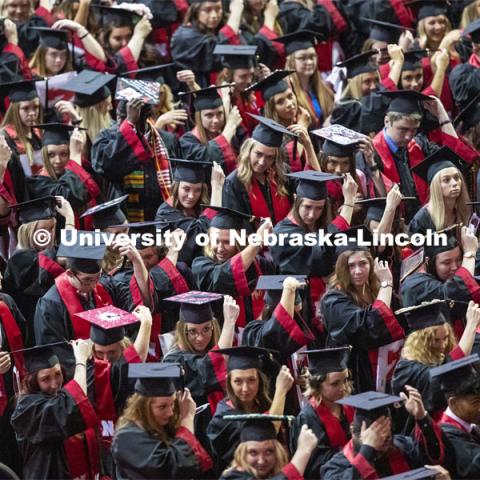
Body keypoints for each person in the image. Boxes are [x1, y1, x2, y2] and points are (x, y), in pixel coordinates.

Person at [33, 231, 151, 373]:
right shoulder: (50, 305)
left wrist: (137, 261)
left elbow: (140, 302)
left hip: (117, 368)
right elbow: (57, 356)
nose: (94, 285)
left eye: (97, 277)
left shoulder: (105, 284)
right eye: (87, 280)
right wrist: (98, 372)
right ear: (70, 273)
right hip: (85, 379)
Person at [270, 171, 358, 341]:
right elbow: (320, 251)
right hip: (297, 310)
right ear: (296, 200)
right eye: (307, 207)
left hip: (322, 306)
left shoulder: (318, 226)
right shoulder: (282, 233)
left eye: (319, 208)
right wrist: (348, 205)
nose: (312, 214)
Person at [321, 230, 405, 393]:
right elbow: (369, 325)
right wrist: (387, 284)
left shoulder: (376, 290)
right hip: (355, 373)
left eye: (363, 264)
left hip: (386, 367)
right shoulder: (333, 300)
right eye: (351, 265)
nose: (358, 271)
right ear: (342, 268)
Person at [11, 340, 101, 480]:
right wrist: (81, 361)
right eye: (46, 379)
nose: (54, 385)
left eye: (58, 374)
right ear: (33, 382)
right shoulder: (26, 409)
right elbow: (71, 408)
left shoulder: (62, 394)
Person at [112, 363, 214, 479]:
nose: (170, 412)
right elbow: (171, 468)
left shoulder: (164, 427)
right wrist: (187, 419)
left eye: (172, 404)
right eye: (162, 407)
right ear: (142, 407)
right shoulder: (127, 437)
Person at [92, 96, 181, 222]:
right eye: (120, 117)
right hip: (123, 219)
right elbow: (105, 168)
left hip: (159, 218)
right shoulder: (107, 137)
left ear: (145, 119)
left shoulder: (167, 140)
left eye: (128, 118)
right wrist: (129, 124)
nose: (121, 124)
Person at [207, 346, 294, 473]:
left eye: (251, 380)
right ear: (229, 382)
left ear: (260, 380)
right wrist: (281, 390)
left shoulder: (263, 404)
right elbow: (267, 431)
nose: (245, 388)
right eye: (238, 381)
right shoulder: (222, 420)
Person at [320, 389, 444, 478]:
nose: (383, 445)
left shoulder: (401, 446)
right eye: (376, 438)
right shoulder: (335, 468)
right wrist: (368, 450)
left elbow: (435, 458)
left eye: (387, 438)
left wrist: (422, 419)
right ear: (353, 431)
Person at [392, 300, 480, 423]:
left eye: (445, 338)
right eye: (436, 340)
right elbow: (445, 374)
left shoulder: (440, 356)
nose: (443, 345)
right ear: (420, 341)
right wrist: (470, 326)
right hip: (422, 431)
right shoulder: (406, 370)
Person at [192, 207, 275, 327]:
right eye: (216, 240)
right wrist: (257, 242)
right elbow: (221, 278)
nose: (220, 248)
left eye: (227, 242)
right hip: (221, 338)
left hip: (255, 334)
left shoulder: (259, 264)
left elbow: (279, 283)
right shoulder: (201, 265)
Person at [400, 226, 480, 341]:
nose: (455, 267)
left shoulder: (445, 275)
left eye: (458, 259)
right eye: (446, 262)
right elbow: (453, 292)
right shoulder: (414, 285)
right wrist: (470, 254)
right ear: (429, 262)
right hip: (430, 350)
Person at [4, 196, 72, 329]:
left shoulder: (50, 252)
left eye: (52, 228)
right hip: (36, 329)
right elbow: (70, 254)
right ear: (29, 231)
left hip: (56, 321)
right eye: (44, 230)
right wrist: (69, 218)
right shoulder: (20, 261)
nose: (50, 235)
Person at [163, 292, 239, 410]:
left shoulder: (208, 350)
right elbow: (209, 368)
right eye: (193, 331)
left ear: (213, 327)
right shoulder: (172, 361)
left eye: (206, 329)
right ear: (183, 330)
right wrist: (229, 322)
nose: (200, 338)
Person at [290, 347, 353, 478]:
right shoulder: (307, 418)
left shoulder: (350, 407)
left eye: (345, 380)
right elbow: (313, 465)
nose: (343, 388)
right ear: (317, 384)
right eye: (335, 383)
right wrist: (355, 449)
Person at [25, 122, 102, 225]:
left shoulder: (86, 174)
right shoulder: (37, 184)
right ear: (44, 156)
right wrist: (74, 158)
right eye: (51, 154)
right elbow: (68, 197)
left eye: (64, 154)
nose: (58, 160)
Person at [222, 115, 293, 225]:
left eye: (269, 157)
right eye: (258, 154)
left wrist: (308, 146)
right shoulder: (234, 182)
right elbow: (234, 224)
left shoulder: (282, 174)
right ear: (249, 150)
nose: (262, 162)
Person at [155, 159, 224, 264]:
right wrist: (217, 187)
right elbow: (199, 234)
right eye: (186, 189)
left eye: (198, 190)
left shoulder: (200, 205)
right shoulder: (165, 213)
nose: (191, 196)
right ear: (176, 187)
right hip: (182, 271)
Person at [220, 415, 319, 480]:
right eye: (253, 453)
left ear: (277, 453)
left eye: (269, 452)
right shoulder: (232, 477)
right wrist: (303, 453)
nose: (261, 461)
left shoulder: (273, 474)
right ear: (242, 454)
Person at [431, 353, 480, 478]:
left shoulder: (472, 423)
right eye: (476, 402)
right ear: (453, 402)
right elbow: (473, 467)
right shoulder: (446, 435)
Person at [179, 85, 242, 174]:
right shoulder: (188, 141)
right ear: (199, 117)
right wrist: (229, 129)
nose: (215, 120)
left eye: (219, 113)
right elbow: (208, 158)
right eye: (209, 115)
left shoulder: (231, 136)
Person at [278, 30, 334, 128]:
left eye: (312, 57)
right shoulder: (288, 93)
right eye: (302, 58)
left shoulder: (324, 89)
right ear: (291, 61)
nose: (309, 62)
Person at [409, 147, 471, 234]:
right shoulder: (422, 220)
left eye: (457, 178)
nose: (454, 183)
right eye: (446, 180)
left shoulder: (462, 211)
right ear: (436, 186)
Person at [0, 79, 43, 179]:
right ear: (15, 110)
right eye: (26, 108)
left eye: (36, 107)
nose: (32, 113)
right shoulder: (4, 138)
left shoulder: (37, 132)